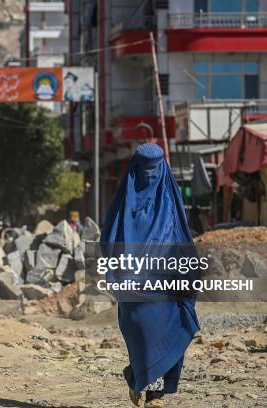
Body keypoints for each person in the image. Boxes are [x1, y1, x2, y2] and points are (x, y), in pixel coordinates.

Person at [101, 144, 200, 407]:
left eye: (155, 168)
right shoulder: (124, 203)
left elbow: (181, 238)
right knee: (142, 331)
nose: (151, 174)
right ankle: (137, 376)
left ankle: (153, 392)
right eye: (146, 168)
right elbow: (108, 240)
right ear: (136, 169)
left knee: (166, 330)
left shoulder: (170, 200)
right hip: (132, 283)